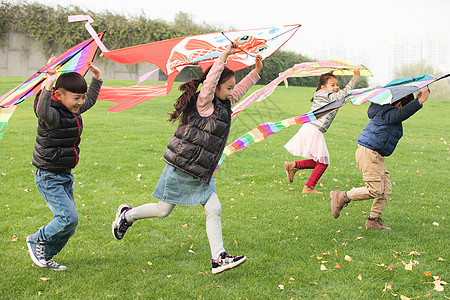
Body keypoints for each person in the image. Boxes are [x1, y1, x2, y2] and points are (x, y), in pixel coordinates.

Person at [112, 42, 262, 274]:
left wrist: (256, 71)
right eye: (228, 88)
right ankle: (126, 216)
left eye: (232, 88)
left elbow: (241, 89)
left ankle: (219, 258)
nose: (233, 91)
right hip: (183, 167)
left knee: (214, 208)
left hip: (201, 171)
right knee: (163, 210)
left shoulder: (225, 104)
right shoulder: (205, 104)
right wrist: (224, 56)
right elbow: (211, 81)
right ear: (216, 88)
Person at [26, 63, 102, 270]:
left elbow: (91, 100)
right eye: (76, 98)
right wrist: (47, 86)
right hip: (48, 175)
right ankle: (36, 240)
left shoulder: (73, 109)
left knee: (71, 224)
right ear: (59, 95)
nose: (81, 102)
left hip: (65, 175)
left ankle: (45, 255)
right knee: (67, 217)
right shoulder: (51, 115)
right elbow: (42, 110)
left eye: (82, 97)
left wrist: (96, 78)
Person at [330, 89, 430, 230]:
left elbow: (401, 113)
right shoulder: (387, 113)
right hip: (369, 153)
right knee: (375, 189)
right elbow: (402, 114)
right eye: (404, 106)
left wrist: (415, 99)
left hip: (376, 154)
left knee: (385, 189)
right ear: (399, 104)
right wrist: (419, 102)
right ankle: (342, 196)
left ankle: (373, 221)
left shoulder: (386, 111)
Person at [284, 70, 360, 193]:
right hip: (313, 129)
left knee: (319, 161)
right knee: (323, 162)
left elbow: (342, 97)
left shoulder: (324, 94)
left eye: (337, 85)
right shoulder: (326, 94)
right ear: (323, 87)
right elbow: (341, 95)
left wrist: (324, 78)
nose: (336, 87)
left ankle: (293, 166)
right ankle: (308, 187)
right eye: (332, 85)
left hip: (312, 129)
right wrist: (355, 78)